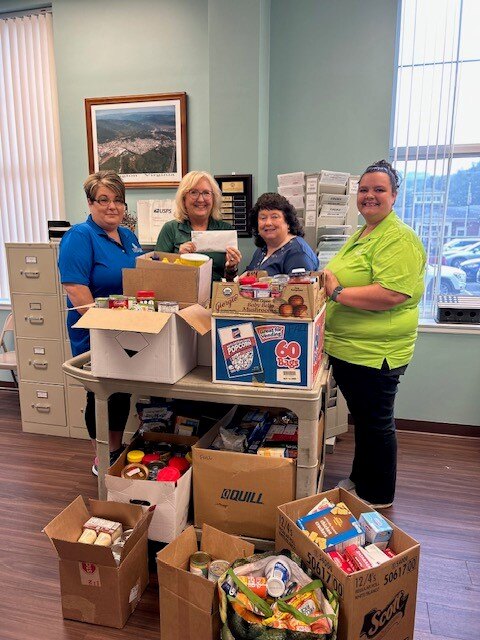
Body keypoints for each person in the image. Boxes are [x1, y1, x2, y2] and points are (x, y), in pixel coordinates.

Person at [323, 159, 426, 509]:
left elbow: (391, 294)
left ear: (394, 196)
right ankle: (361, 479)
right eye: (364, 189)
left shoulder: (399, 238)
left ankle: (379, 494)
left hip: (375, 352)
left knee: (377, 423)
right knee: (365, 422)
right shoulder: (365, 233)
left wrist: (337, 293)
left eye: (379, 189)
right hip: (351, 348)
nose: (369, 195)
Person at [58, 170, 143, 475]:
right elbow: (76, 289)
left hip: (129, 328)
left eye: (118, 200)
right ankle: (102, 456)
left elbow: (140, 275)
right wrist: (107, 325)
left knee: (121, 391)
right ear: (91, 203)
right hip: (97, 330)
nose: (112, 206)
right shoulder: (79, 236)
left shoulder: (128, 236)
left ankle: (116, 446)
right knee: (101, 392)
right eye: (104, 200)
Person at [155, 170, 241, 281]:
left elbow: (230, 281)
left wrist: (231, 267)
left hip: (216, 296)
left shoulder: (225, 230)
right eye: (194, 192)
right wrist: (179, 260)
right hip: (180, 295)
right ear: (183, 198)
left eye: (206, 193)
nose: (201, 199)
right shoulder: (170, 229)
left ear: (213, 198)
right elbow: (156, 273)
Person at [246, 192, 319, 275]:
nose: (268, 223)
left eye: (274, 217)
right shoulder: (262, 250)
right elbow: (245, 279)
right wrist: (232, 268)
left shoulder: (298, 253)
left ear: (288, 222)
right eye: (263, 218)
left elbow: (298, 287)